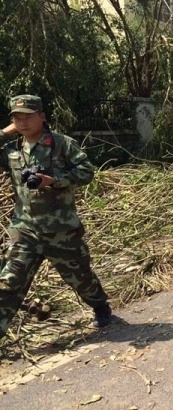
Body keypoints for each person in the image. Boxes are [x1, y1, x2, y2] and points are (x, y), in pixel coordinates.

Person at [0, 95, 112, 339]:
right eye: (17, 117)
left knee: (81, 278)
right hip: (25, 230)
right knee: (8, 284)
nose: (23, 121)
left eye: (28, 115)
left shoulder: (62, 144)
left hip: (61, 230)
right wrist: (5, 132)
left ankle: (101, 306)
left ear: (42, 116)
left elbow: (86, 172)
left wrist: (55, 181)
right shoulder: (11, 149)